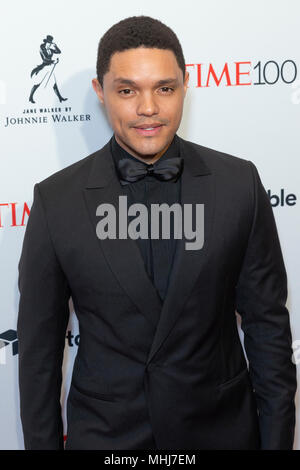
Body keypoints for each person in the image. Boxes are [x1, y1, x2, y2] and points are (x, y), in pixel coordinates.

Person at [17, 15, 297, 450]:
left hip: (221, 433)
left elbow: (268, 331)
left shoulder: (238, 184)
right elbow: (38, 354)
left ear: (185, 86)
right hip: (109, 440)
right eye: (127, 90)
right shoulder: (57, 202)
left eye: (164, 88)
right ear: (100, 92)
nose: (148, 108)